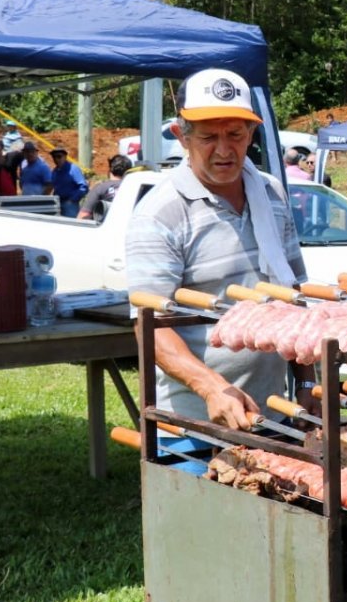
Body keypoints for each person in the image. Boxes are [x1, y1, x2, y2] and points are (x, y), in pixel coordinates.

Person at [126, 67, 317, 440]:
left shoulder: (272, 193)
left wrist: (308, 384)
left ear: (251, 133)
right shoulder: (160, 213)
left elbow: (295, 297)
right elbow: (149, 328)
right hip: (194, 424)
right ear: (182, 135)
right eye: (209, 137)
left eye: (235, 134)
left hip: (275, 415)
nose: (225, 149)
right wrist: (212, 387)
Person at [78, 154, 132, 220]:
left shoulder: (100, 188)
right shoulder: (136, 188)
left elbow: (84, 215)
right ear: (129, 171)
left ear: (110, 170)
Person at [49, 148, 88, 217]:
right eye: (54, 157)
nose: (56, 159)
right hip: (58, 204)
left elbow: (83, 187)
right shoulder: (55, 171)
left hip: (70, 205)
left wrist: (72, 200)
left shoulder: (73, 169)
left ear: (65, 157)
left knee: (71, 225)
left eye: (59, 156)